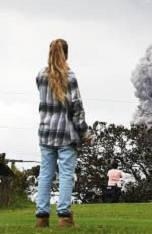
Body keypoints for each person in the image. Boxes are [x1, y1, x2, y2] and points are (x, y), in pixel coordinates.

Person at [35, 39, 92, 228]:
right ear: (66, 54)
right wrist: (84, 133)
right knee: (66, 175)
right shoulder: (70, 77)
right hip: (66, 134)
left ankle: (42, 217)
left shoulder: (40, 76)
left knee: (45, 175)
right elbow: (76, 108)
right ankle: (64, 217)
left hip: (45, 133)